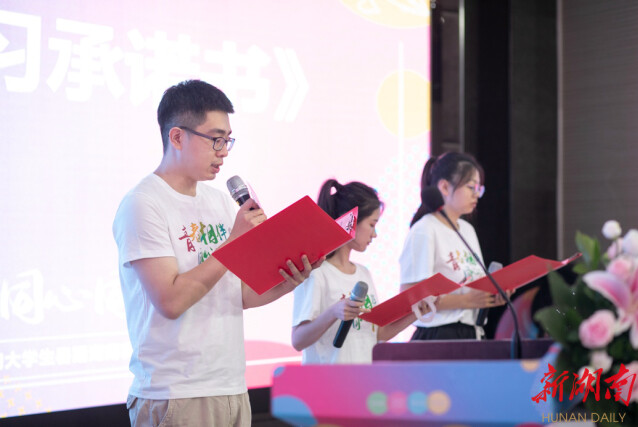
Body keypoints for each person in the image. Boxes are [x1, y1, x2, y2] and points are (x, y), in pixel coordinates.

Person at [112, 80, 319, 427]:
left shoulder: (220, 202)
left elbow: (241, 294)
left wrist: (292, 278)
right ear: (177, 137)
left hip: (231, 387)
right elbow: (171, 301)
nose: (223, 151)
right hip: (176, 394)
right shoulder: (143, 204)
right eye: (215, 139)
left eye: (228, 141)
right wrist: (234, 241)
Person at [291, 179, 429, 364]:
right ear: (352, 221)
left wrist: (415, 312)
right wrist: (333, 312)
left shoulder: (363, 273)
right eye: (372, 224)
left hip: (364, 377)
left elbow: (377, 333)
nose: (375, 234)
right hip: (328, 379)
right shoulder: (317, 273)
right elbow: (298, 340)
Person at [399, 152, 507, 340]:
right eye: (471, 187)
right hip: (438, 335)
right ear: (444, 187)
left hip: (472, 332)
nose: (476, 194)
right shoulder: (425, 230)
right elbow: (411, 298)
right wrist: (466, 300)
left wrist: (493, 294)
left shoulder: (467, 230)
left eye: (479, 188)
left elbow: (474, 285)